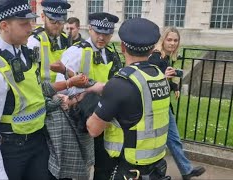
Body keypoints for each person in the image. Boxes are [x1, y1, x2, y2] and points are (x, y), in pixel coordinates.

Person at [0, 0, 51, 179]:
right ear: (5, 25)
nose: (30, 28)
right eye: (24, 24)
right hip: (12, 149)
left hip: (38, 142)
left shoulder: (27, 52)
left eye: (31, 22)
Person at [86, 18, 170, 180]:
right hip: (155, 165)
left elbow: (94, 129)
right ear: (152, 48)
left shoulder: (120, 83)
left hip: (126, 168)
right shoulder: (159, 76)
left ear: (122, 46)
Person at [55, 12, 121, 180]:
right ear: (89, 29)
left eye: (106, 34)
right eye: (98, 32)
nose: (101, 37)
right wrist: (88, 92)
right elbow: (62, 88)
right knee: (78, 169)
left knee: (103, 167)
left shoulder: (111, 54)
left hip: (103, 117)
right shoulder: (76, 52)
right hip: (79, 117)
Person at [148, 27, 206, 180]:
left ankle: (186, 171)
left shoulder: (166, 57)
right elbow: (147, 81)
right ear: (163, 40)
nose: (172, 43)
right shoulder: (155, 57)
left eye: (175, 40)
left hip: (164, 105)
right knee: (156, 141)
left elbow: (165, 76)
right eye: (169, 39)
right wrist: (163, 77)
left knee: (173, 139)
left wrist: (174, 86)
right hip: (155, 107)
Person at [27, 0, 71, 83]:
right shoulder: (34, 41)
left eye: (61, 21)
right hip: (43, 92)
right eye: (52, 20)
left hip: (66, 90)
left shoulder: (66, 39)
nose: (57, 25)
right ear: (43, 16)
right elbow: (30, 78)